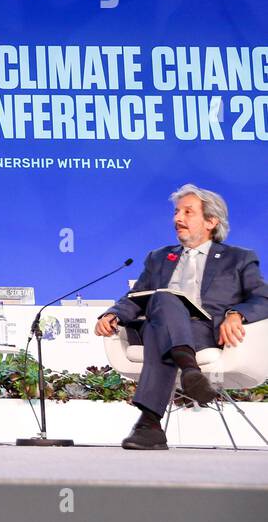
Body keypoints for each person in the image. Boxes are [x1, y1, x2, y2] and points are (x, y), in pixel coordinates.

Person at [95, 184, 267, 450]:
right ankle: (189, 370)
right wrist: (113, 314)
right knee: (163, 299)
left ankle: (150, 423)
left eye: (188, 212)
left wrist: (236, 313)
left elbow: (262, 298)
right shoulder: (159, 257)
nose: (177, 218)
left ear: (211, 221)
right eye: (177, 212)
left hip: (205, 331)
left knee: (158, 324)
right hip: (166, 326)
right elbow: (136, 297)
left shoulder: (239, 259)